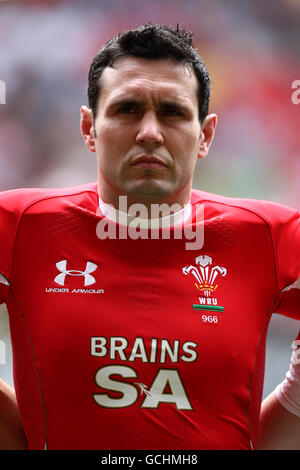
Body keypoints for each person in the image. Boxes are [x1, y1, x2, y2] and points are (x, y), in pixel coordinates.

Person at [0, 23, 299, 451]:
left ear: (206, 135)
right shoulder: (18, 226)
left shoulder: (268, 238)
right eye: (127, 109)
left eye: (173, 112)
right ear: (89, 128)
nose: (150, 133)